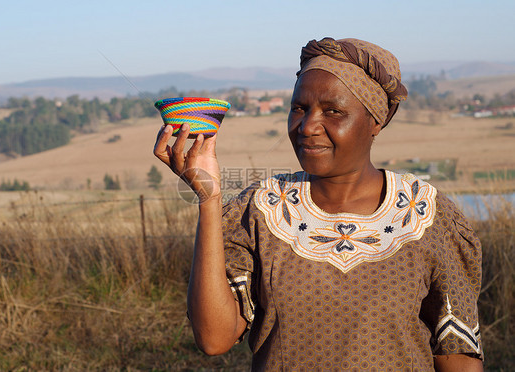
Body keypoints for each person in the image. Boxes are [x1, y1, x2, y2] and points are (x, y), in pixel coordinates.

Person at [154, 37, 484, 371]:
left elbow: (458, 359)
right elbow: (214, 338)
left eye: (333, 111)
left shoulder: (427, 216)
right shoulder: (261, 211)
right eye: (299, 108)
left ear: (376, 122)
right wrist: (209, 200)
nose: (308, 126)